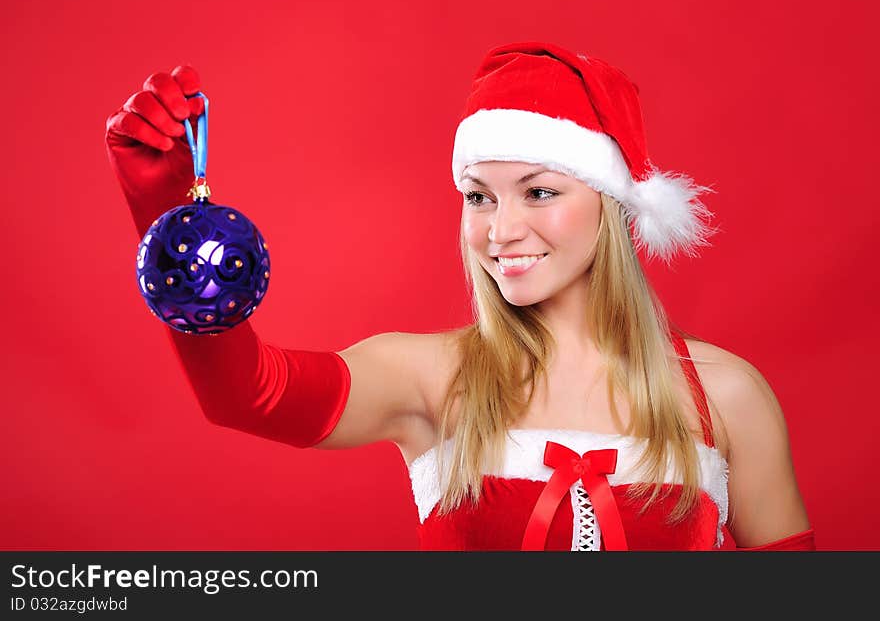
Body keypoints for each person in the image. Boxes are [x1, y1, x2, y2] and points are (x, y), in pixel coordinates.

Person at [105, 41, 815, 551]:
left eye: (539, 191)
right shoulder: (431, 378)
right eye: (479, 196)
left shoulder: (724, 395)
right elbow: (247, 395)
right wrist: (170, 221)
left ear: (613, 204)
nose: (502, 230)